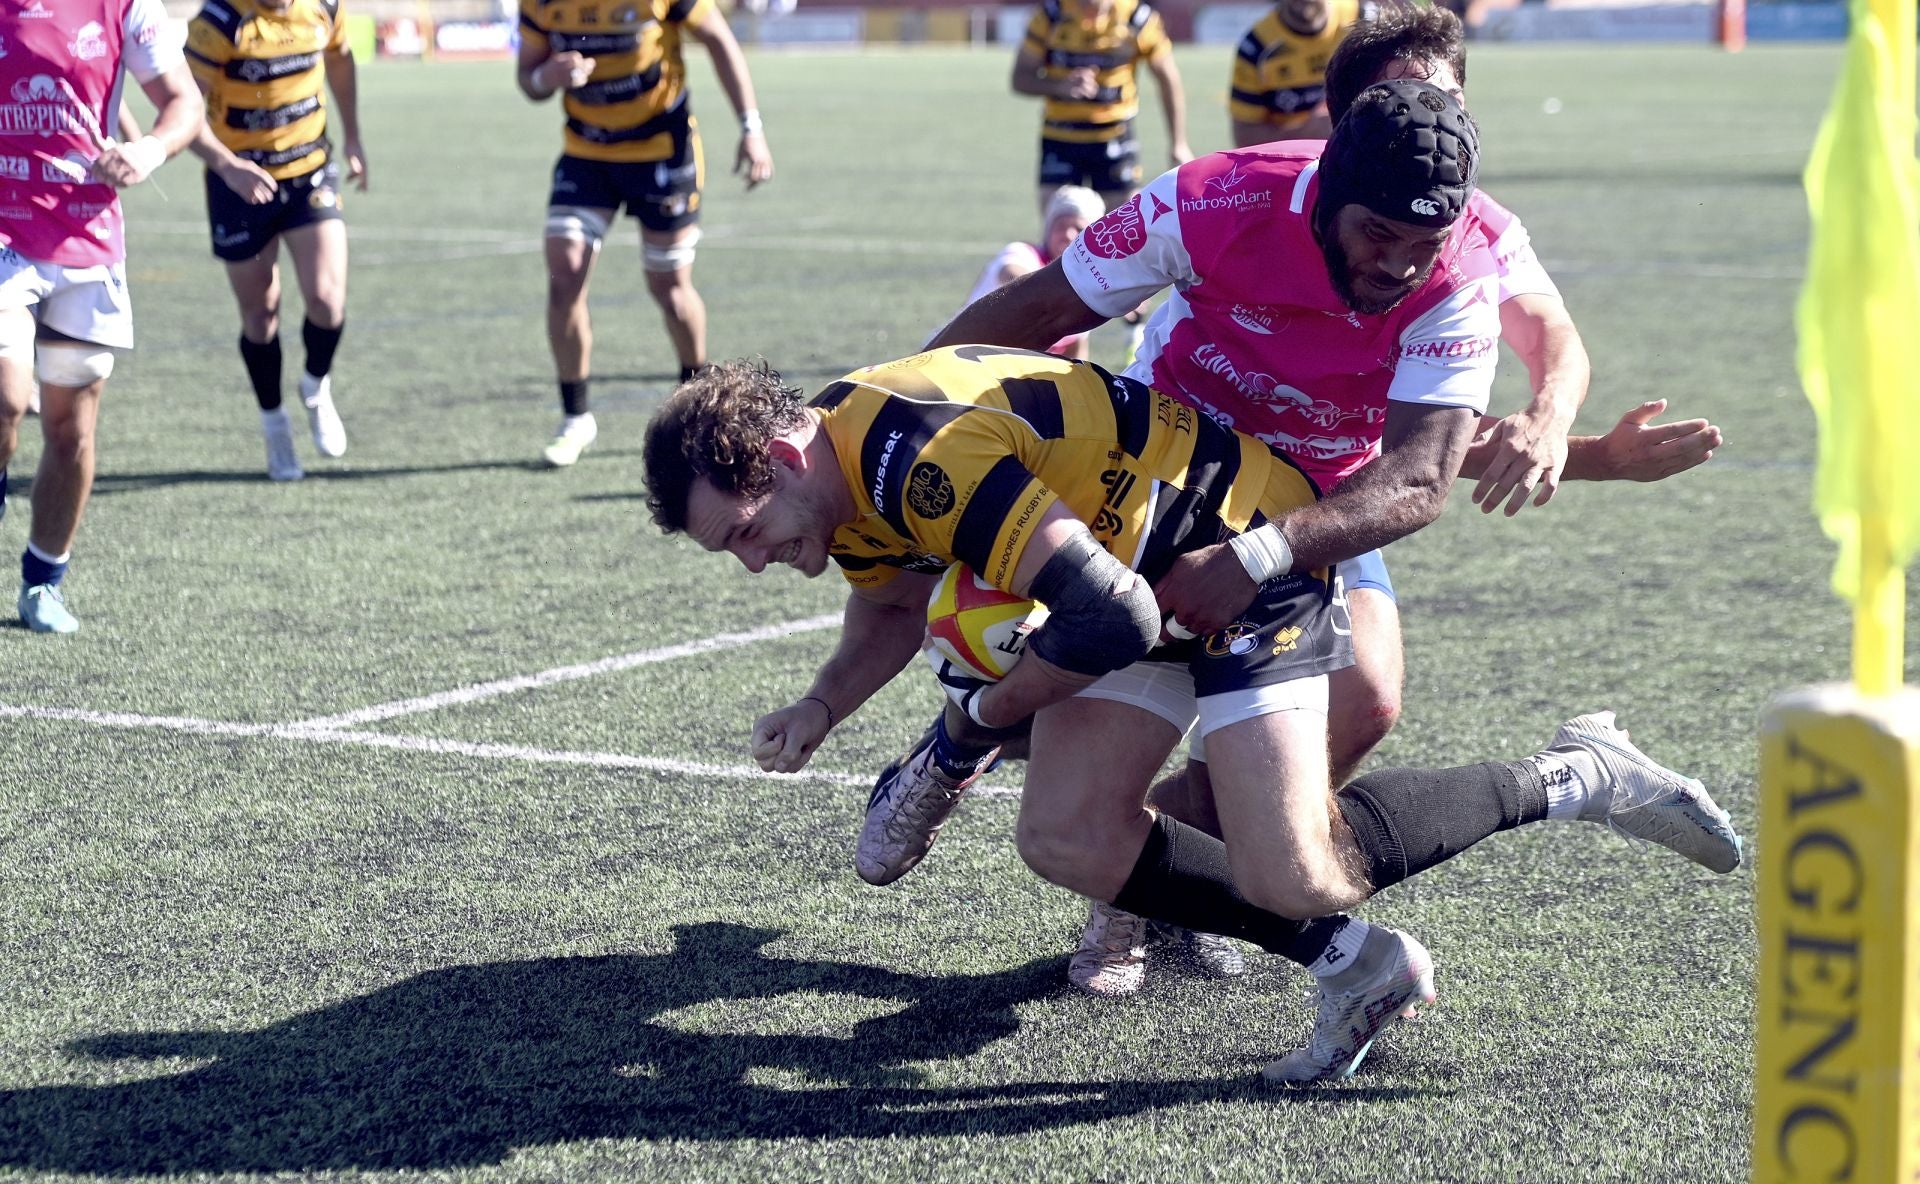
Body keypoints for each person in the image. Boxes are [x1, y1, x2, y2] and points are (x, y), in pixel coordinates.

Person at [640, 345, 1741, 1085]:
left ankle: (1579, 771)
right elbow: (887, 593)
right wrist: (825, 701)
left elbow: (1106, 617)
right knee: (1065, 833)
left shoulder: (917, 458)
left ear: (784, 455)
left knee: (1299, 871)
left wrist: (961, 734)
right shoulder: (840, 471)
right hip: (1136, 577)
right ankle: (1357, 963)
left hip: (1234, 548)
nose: (753, 560)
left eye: (746, 530)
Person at [912, 62, 1721, 995]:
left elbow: (1426, 461)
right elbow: (1042, 306)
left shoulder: (1466, 258)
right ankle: (1000, 775)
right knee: (1063, 827)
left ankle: (1551, 783)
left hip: (1322, 507)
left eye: (1428, 239)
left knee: (1357, 721)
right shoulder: (1212, 199)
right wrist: (893, 406)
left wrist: (1566, 440)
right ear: (1334, 162)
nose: (1402, 264)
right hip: (1167, 493)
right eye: (1381, 234)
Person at [0, 0, 204, 633]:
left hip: (87, 242)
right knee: (5, 402)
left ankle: (43, 583)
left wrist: (148, 152)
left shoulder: (124, 7)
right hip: (6, 232)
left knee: (70, 431)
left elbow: (184, 102)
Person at [517, 0, 774, 469]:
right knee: (564, 275)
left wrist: (750, 128)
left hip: (662, 154)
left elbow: (718, 39)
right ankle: (576, 417)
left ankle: (695, 407)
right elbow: (528, 79)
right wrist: (547, 78)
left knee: (671, 290)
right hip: (587, 154)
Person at [184, 0, 366, 483]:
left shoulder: (323, 8)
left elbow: (342, 60)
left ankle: (315, 385)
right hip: (239, 182)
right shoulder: (219, 23)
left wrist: (353, 138)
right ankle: (274, 423)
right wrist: (228, 167)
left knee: (328, 301)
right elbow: (181, 111)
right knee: (261, 316)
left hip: (309, 170)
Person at [1012, 0, 1192, 219]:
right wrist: (1059, 86)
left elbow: (1168, 79)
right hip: (1060, 136)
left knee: (1124, 232)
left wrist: (1178, 143)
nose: (1090, 15)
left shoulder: (1137, 18)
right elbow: (1020, 78)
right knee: (1060, 233)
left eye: (1096, 8)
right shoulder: (1050, 16)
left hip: (1115, 137)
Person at [950, 186, 1105, 361]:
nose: (1068, 235)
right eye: (1060, 226)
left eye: (1078, 229)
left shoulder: (1085, 280)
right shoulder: (1022, 253)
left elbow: (1076, 348)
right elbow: (1012, 273)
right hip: (961, 359)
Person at [1229, 0, 1367, 145]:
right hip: (1296, 163)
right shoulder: (1257, 46)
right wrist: (1307, 132)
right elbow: (1244, 137)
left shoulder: (1364, 19)